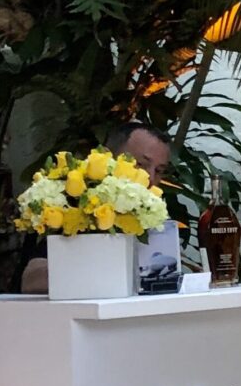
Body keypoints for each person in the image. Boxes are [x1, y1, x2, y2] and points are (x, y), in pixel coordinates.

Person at [19, 120, 172, 294]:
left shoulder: (155, 216)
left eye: (159, 170)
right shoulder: (80, 210)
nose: (150, 177)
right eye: (140, 164)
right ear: (109, 158)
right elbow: (32, 280)